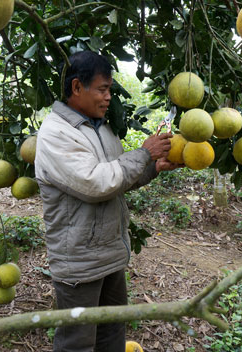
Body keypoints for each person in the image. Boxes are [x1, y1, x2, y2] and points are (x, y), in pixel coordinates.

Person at [35, 50, 181, 352]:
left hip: (110, 254)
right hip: (79, 262)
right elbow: (96, 183)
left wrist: (152, 167)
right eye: (102, 89)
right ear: (77, 87)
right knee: (77, 343)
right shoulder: (56, 133)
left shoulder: (100, 128)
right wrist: (143, 153)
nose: (107, 97)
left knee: (112, 335)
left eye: (110, 90)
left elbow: (117, 179)